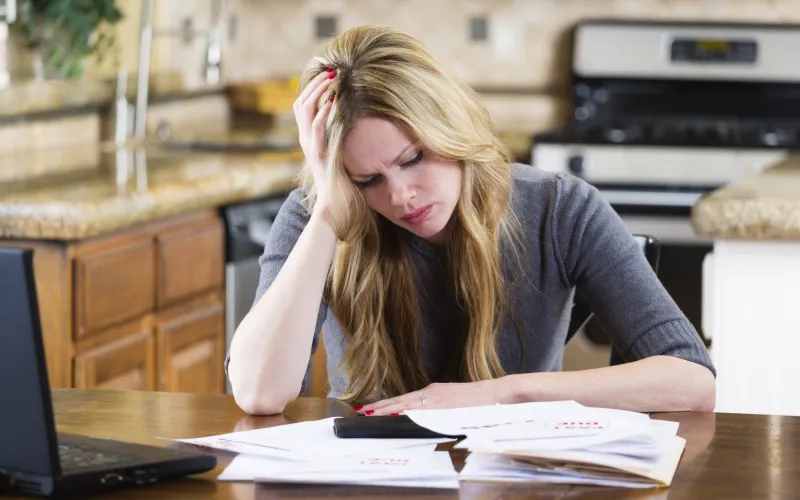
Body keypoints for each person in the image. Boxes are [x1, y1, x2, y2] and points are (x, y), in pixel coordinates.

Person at [227, 24, 716, 416]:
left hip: (519, 475)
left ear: (450, 127)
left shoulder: (560, 208)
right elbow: (258, 394)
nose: (400, 196)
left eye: (413, 157)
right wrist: (331, 212)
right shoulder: (319, 214)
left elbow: (691, 381)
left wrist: (506, 393)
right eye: (367, 180)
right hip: (373, 477)